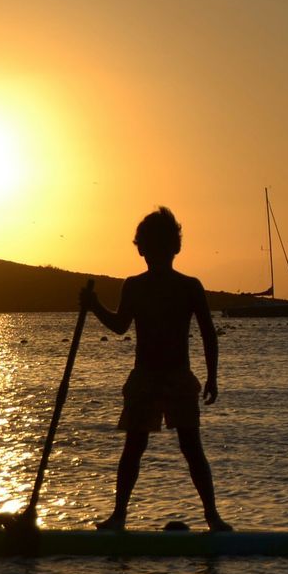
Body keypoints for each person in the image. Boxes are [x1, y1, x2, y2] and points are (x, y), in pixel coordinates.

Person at [81, 206, 232, 532]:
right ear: (141, 249)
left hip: (178, 377)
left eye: (156, 247)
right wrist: (94, 307)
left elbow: (208, 334)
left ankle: (213, 518)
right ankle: (119, 517)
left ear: (172, 249)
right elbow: (121, 325)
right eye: (146, 247)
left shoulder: (190, 286)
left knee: (191, 449)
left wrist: (212, 376)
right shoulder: (134, 286)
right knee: (134, 448)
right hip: (146, 378)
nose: (150, 253)